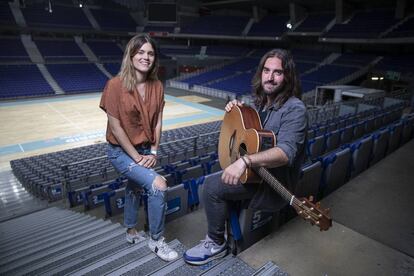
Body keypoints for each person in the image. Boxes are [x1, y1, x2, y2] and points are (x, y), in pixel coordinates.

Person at [183, 49, 307, 265]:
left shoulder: (295, 109)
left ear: (287, 76)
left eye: (277, 72)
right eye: (266, 70)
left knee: (210, 186)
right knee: (222, 168)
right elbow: (251, 135)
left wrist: (245, 160)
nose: (270, 76)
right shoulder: (260, 104)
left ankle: (216, 242)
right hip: (257, 174)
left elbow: (286, 153)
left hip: (272, 184)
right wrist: (236, 112)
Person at [99, 34, 178, 262]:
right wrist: (137, 158)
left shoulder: (157, 85)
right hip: (121, 152)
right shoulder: (115, 85)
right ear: (131, 54)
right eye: (141, 52)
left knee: (134, 188)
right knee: (158, 186)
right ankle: (156, 240)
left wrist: (153, 151)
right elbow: (115, 127)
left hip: (145, 149)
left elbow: (159, 121)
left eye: (150, 53)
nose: (146, 57)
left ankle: (131, 232)